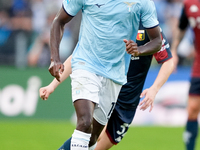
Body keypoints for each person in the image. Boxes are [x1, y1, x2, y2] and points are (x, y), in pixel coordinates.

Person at [47, 0, 162, 149]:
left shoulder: (142, 2)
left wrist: (138, 50)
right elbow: (59, 21)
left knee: (92, 137)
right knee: (84, 122)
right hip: (86, 65)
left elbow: (157, 40)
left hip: (115, 75)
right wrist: (54, 58)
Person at [171, 0, 200, 150]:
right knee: (192, 109)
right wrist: (174, 51)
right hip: (198, 67)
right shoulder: (189, 5)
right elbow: (181, 29)